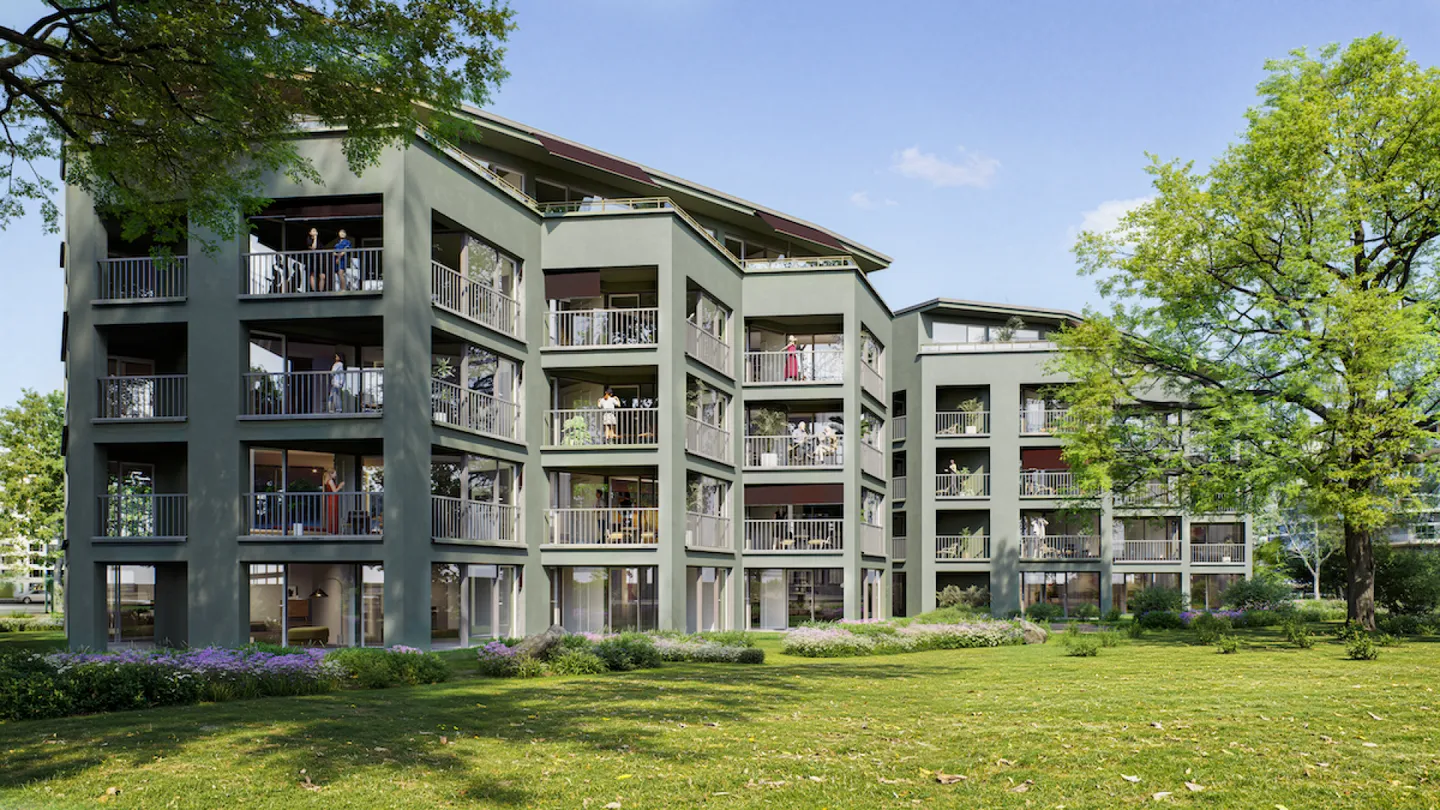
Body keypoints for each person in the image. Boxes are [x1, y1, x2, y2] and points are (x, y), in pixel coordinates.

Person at [322, 470, 342, 535]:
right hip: (333, 498)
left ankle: (331, 530)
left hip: (331, 498)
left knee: (332, 513)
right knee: (333, 513)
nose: (335, 475)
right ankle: (333, 530)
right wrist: (340, 486)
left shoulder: (327, 481)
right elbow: (335, 491)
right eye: (335, 474)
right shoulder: (330, 481)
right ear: (331, 474)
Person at [306, 227, 322, 292]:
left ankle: (319, 289)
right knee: (312, 274)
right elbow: (313, 247)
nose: (315, 232)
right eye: (313, 231)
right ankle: (313, 290)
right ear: (310, 233)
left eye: (315, 230)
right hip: (312, 258)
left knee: (319, 274)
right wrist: (315, 238)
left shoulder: (319, 240)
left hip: (318, 258)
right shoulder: (309, 239)